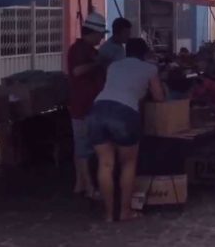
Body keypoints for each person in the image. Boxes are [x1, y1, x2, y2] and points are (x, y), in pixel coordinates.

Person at [86, 38, 165, 222]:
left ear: (126, 51)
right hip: (124, 114)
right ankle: (125, 212)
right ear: (145, 53)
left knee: (105, 164)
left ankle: (108, 214)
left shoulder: (114, 66)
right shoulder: (150, 68)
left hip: (97, 110)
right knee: (128, 164)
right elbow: (159, 97)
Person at [67, 12, 108, 199]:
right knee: (84, 148)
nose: (102, 38)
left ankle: (79, 183)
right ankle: (90, 187)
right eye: (101, 34)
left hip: (92, 105)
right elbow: (77, 71)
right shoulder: (78, 49)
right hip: (82, 105)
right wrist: (97, 63)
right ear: (92, 32)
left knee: (82, 148)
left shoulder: (92, 50)